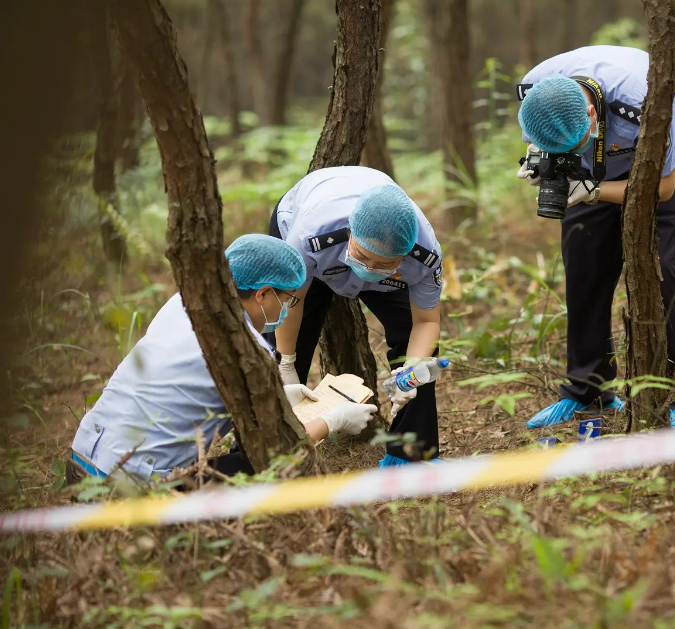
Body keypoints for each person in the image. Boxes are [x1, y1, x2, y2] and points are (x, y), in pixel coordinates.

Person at [68, 234, 377, 483]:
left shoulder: (184, 303)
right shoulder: (246, 346)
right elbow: (279, 446)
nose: (287, 307)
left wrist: (277, 394)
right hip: (131, 485)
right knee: (271, 468)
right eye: (288, 298)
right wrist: (334, 420)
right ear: (263, 294)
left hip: (83, 455)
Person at [516, 45, 675, 429]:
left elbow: (661, 188)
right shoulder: (535, 89)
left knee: (659, 269)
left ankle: (663, 397)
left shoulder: (644, 101)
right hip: (592, 169)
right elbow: (541, 138)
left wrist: (594, 190)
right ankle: (587, 389)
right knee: (584, 266)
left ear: (592, 115)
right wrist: (541, 160)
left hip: (655, 164)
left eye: (577, 143)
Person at [266, 166, 443, 467]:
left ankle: (411, 454)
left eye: (381, 264)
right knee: (287, 340)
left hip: (382, 262)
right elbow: (290, 305)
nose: (369, 269)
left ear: (405, 254)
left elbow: (426, 322)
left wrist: (412, 372)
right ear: (350, 232)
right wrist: (285, 364)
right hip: (318, 253)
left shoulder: (424, 256)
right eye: (362, 257)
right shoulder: (308, 236)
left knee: (414, 344)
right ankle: (269, 448)